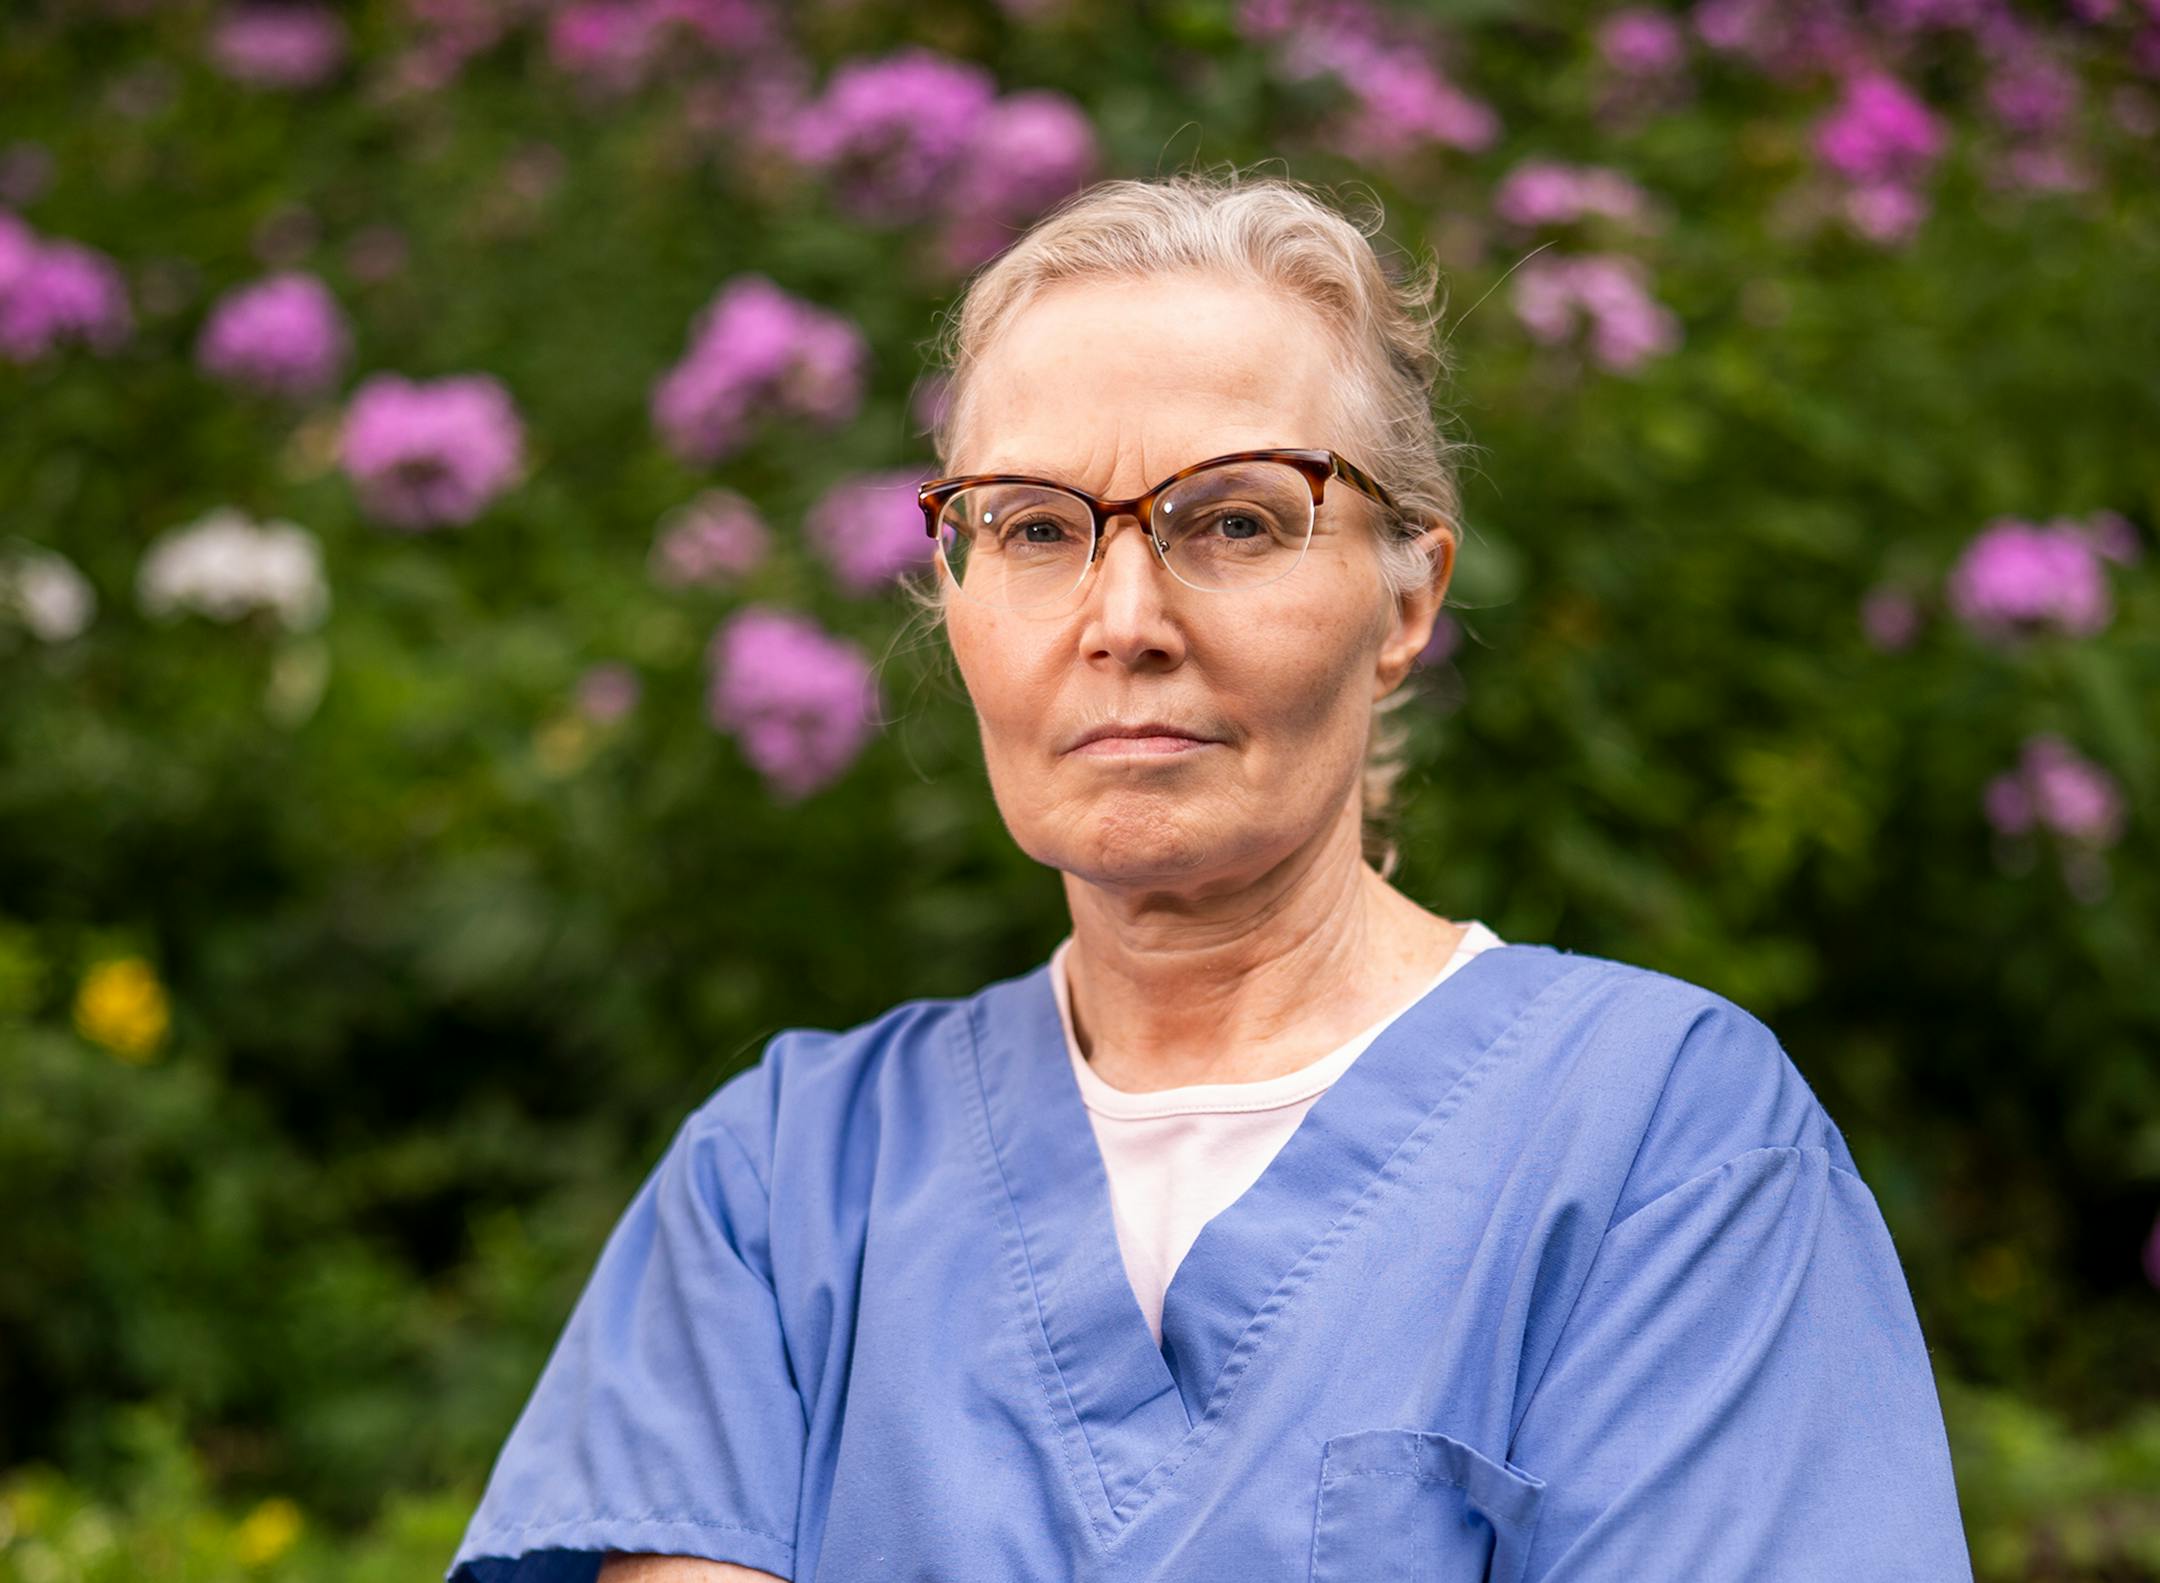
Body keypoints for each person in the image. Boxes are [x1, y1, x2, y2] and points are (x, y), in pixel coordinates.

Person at [447, 169, 1973, 1583]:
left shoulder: (1660, 1144)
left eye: (1234, 520)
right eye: (1033, 527)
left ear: (1407, 601)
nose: (1123, 619)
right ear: (954, 599)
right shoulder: (784, 1185)